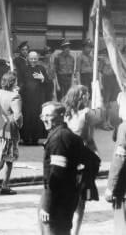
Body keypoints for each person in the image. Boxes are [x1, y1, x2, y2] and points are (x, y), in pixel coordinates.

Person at [62, 85, 104, 235]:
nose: (87, 97)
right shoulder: (86, 113)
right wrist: (98, 94)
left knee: (72, 198)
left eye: (88, 94)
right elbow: (100, 115)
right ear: (78, 97)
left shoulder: (65, 113)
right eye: (84, 95)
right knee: (80, 202)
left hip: (68, 157)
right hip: (85, 158)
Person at [39, 102, 85, 235]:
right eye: (43, 116)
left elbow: (57, 175)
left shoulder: (59, 138)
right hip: (65, 198)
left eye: (49, 115)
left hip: (58, 202)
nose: (44, 119)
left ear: (61, 116)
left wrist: (47, 205)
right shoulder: (62, 134)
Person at [0, 71, 23, 195]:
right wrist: (20, 126)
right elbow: (17, 116)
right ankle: (4, 185)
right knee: (7, 161)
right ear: (13, 83)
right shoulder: (15, 97)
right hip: (9, 130)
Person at [105, 91, 126, 235]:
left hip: (123, 187)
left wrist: (111, 187)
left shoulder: (124, 128)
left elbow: (119, 158)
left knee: (121, 227)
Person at [20, 51, 50, 145]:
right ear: (28, 59)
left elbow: (49, 84)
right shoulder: (24, 69)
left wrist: (43, 79)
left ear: (38, 59)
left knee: (37, 118)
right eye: (31, 59)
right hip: (27, 98)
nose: (33, 60)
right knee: (27, 117)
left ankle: (35, 138)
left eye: (35, 59)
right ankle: (26, 138)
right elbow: (21, 82)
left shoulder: (41, 68)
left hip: (38, 98)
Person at [99, 51, 120, 131]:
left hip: (113, 81)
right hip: (106, 81)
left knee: (110, 104)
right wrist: (101, 83)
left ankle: (108, 122)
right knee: (105, 103)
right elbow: (100, 72)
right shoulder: (103, 59)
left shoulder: (114, 58)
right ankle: (104, 123)